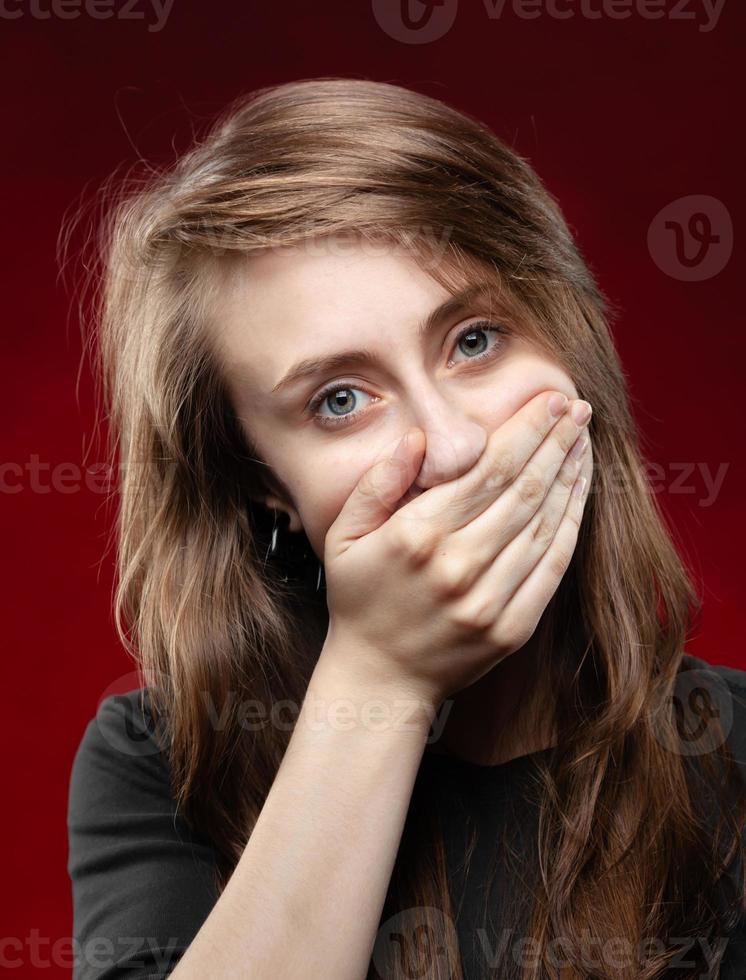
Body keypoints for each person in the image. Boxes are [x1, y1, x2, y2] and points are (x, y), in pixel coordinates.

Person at [65, 77, 746, 979]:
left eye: (475, 339)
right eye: (340, 401)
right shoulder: (161, 764)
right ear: (266, 487)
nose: (456, 447)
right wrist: (383, 675)